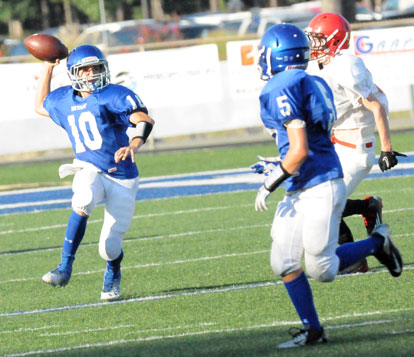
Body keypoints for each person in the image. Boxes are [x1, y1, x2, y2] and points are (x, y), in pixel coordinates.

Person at [254, 23, 403, 348]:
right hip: (310, 178)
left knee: (322, 268)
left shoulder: (281, 87)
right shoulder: (314, 81)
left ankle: (378, 242)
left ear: (276, 55)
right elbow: (308, 140)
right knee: (284, 262)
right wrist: (278, 164)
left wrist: (271, 180)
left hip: (319, 182)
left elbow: (300, 149)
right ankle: (314, 331)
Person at [34, 45, 155, 300]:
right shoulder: (63, 99)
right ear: (74, 73)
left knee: (108, 248)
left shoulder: (112, 95)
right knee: (84, 197)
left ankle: (113, 268)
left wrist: (134, 143)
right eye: (85, 69)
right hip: (89, 167)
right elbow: (40, 106)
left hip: (122, 176)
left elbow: (144, 119)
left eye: (96, 67)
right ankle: (65, 266)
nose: (91, 73)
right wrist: (47, 67)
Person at [305, 12, 406, 273]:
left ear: (334, 40)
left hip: (357, 151)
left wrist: (386, 148)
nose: (313, 45)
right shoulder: (320, 66)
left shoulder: (346, 65)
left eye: (318, 39)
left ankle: (355, 260)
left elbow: (376, 106)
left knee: (325, 205)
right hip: (337, 144)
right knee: (315, 198)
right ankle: (368, 207)